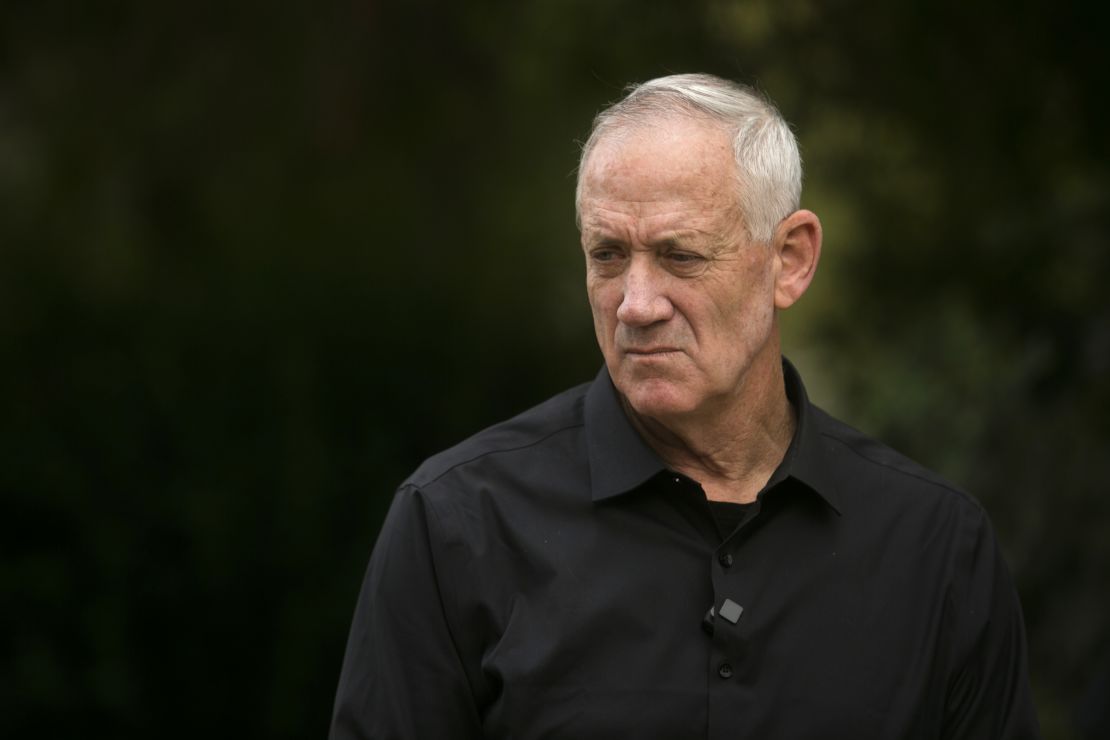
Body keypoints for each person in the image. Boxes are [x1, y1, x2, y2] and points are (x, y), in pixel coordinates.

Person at [330, 73, 1040, 739]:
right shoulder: (458, 524)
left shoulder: (936, 549)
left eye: (682, 256)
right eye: (607, 255)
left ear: (789, 260)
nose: (636, 304)